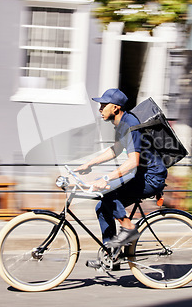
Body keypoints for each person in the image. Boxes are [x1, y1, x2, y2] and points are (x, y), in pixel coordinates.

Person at [75, 88, 167, 268]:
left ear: (116, 108)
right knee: (102, 208)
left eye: (103, 105)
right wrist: (90, 164)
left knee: (107, 191)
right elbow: (116, 150)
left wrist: (106, 179)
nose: (100, 109)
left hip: (151, 177)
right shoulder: (121, 123)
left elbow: (133, 161)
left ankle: (129, 228)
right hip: (141, 174)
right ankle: (111, 257)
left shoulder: (129, 124)